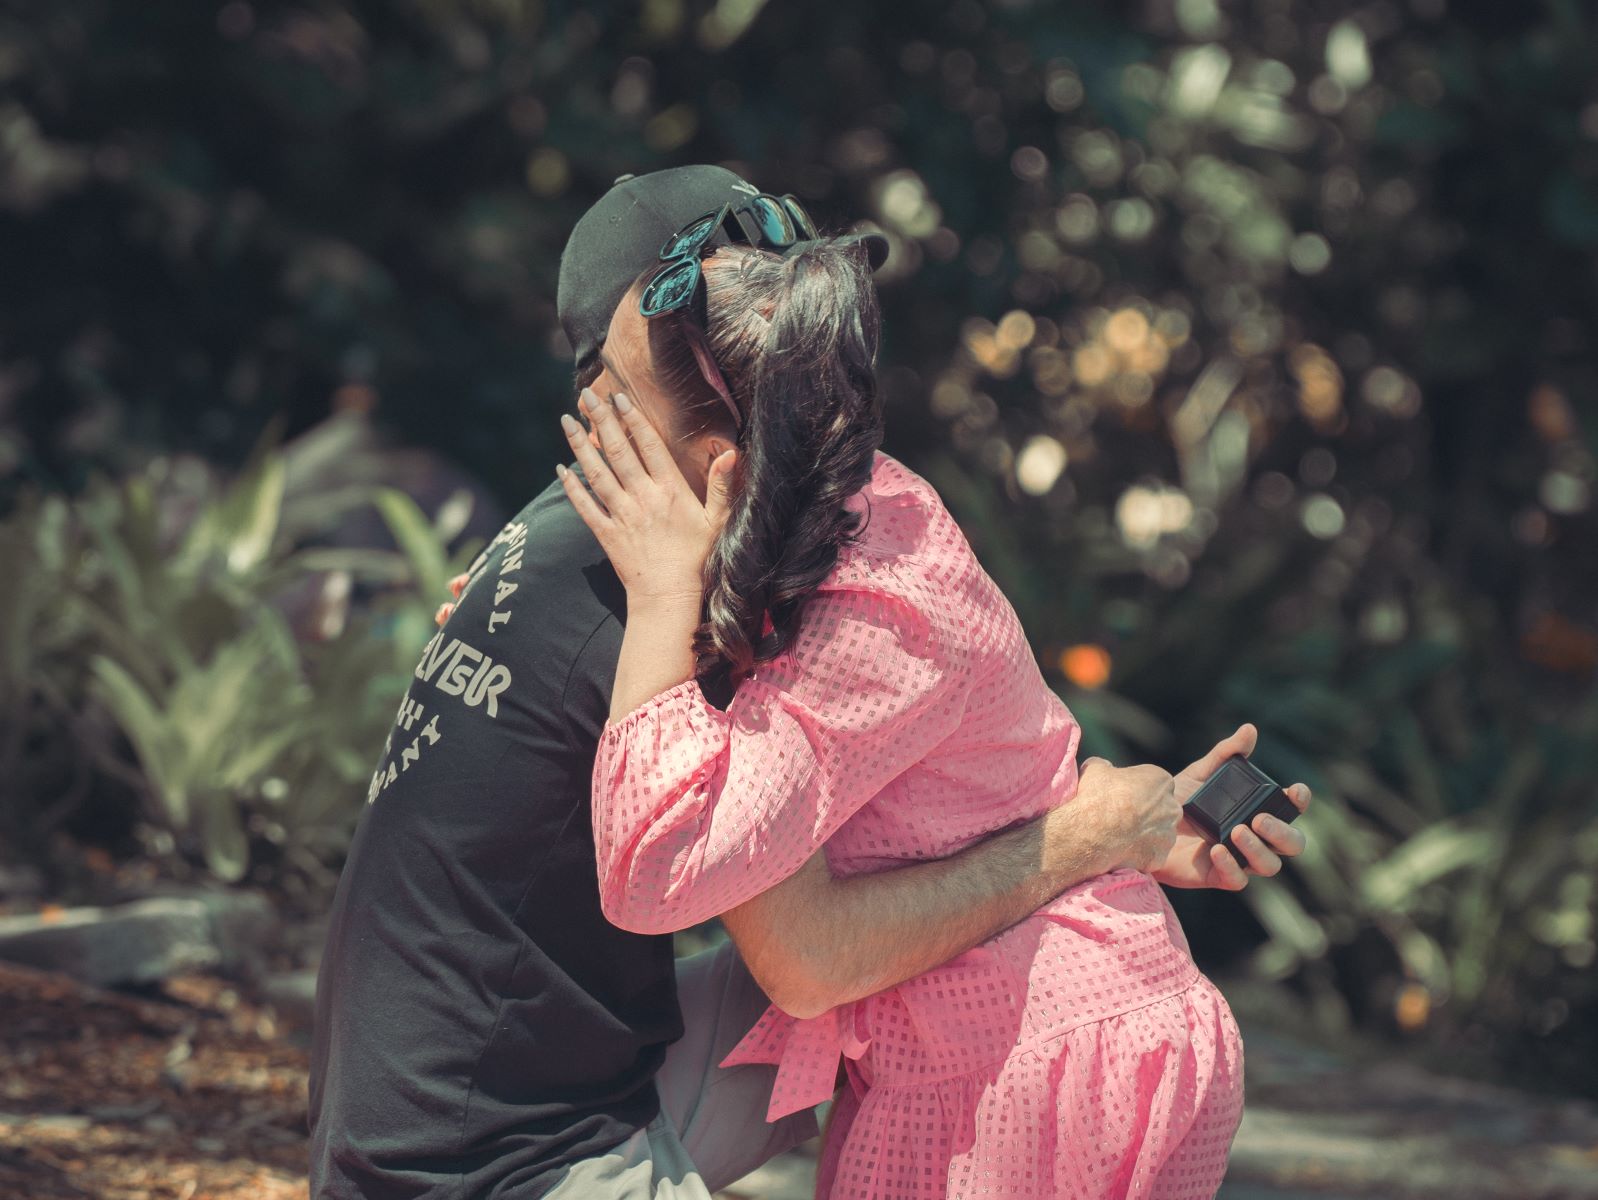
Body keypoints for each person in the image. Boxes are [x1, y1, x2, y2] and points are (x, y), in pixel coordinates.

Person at [308, 165, 1308, 1200]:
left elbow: (892, 810)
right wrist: (1090, 835)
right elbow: (786, 945)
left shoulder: (781, 573)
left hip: (1042, 1053)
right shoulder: (693, 571)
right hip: (491, 1163)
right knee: (796, 958)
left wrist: (1096, 832)